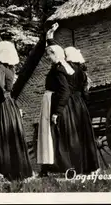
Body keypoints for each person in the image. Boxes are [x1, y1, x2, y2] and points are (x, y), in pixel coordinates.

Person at [0, 16, 32, 181]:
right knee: (13, 136)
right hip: (11, 103)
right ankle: (19, 169)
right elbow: (2, 45)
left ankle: (6, 170)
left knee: (3, 135)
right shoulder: (11, 67)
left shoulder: (0, 68)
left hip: (3, 104)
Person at [37, 23, 75, 177]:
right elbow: (53, 47)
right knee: (49, 136)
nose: (47, 57)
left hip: (52, 105)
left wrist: (56, 112)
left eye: (49, 55)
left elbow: (65, 91)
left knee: (52, 136)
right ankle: (46, 169)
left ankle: (65, 169)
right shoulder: (59, 65)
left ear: (55, 55)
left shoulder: (59, 70)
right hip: (49, 103)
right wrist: (50, 35)